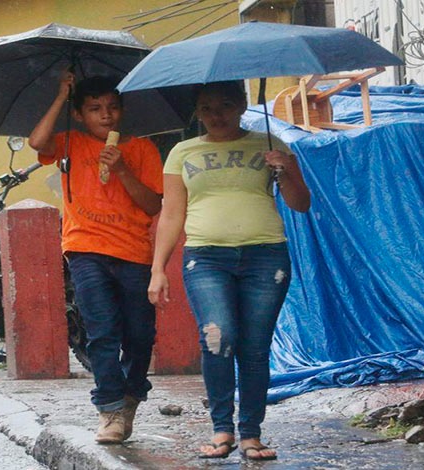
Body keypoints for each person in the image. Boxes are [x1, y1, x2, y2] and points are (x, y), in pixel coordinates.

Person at [147, 81, 310, 461]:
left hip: (266, 257)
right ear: (197, 113)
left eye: (224, 105)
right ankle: (222, 430)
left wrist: (285, 170)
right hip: (205, 258)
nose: (216, 115)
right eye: (206, 108)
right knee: (217, 336)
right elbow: (171, 214)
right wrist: (158, 268)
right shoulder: (182, 152)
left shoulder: (271, 145)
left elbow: (301, 203)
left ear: (241, 105)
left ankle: (251, 434)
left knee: (255, 347)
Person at [29, 74, 163, 444]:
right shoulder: (69, 143)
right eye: (94, 109)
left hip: (134, 252)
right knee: (102, 332)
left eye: (112, 107)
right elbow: (37, 142)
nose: (106, 115)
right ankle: (110, 408)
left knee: (140, 334)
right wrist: (61, 95)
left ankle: (131, 393)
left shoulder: (143, 149)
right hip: (85, 249)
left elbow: (152, 205)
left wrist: (122, 169)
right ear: (79, 115)